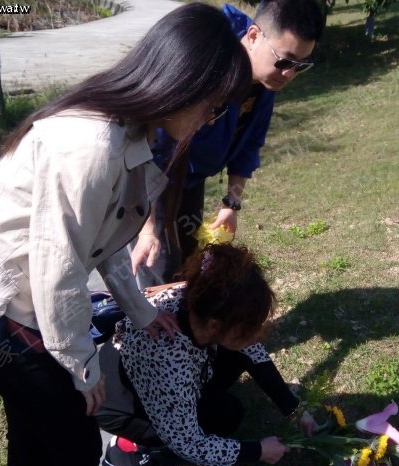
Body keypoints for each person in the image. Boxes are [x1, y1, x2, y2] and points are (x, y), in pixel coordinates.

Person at [0, 4, 251, 466]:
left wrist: (140, 310)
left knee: (35, 425)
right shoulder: (92, 145)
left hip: (25, 290)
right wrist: (81, 368)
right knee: (72, 435)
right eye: (214, 106)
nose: (210, 120)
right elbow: (58, 270)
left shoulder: (132, 126)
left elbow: (104, 238)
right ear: (185, 83)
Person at [132, 0, 326, 287]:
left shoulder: (265, 80)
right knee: (158, 268)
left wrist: (231, 203)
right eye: (285, 61)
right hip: (153, 179)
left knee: (188, 259)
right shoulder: (206, 60)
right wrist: (146, 227)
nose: (289, 74)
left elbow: (249, 145)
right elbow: (145, 148)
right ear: (253, 36)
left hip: (191, 179)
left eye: (300, 65)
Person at [95, 243, 316, 466]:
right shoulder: (169, 358)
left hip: (165, 374)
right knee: (224, 415)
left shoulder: (203, 300)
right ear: (213, 325)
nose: (257, 335)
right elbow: (188, 442)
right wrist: (258, 451)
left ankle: (189, 405)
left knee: (236, 353)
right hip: (120, 404)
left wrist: (293, 408)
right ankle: (127, 448)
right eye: (249, 328)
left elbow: (251, 350)